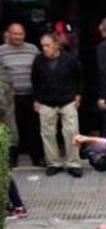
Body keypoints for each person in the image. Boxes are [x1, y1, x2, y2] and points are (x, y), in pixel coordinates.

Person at [31, 33, 82, 177]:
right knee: (47, 133)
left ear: (56, 45)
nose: (44, 49)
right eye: (43, 46)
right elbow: (34, 81)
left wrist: (78, 94)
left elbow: (79, 77)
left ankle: (73, 163)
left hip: (67, 100)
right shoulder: (38, 60)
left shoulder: (69, 59)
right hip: (46, 101)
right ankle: (53, 163)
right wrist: (36, 99)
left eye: (47, 45)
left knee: (71, 132)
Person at [0, 23, 44, 167]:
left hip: (31, 96)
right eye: (15, 34)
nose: (18, 37)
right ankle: (11, 160)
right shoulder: (1, 51)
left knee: (33, 128)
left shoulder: (33, 49)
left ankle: (37, 158)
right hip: (10, 98)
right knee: (11, 129)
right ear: (9, 34)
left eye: (21, 34)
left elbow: (40, 70)